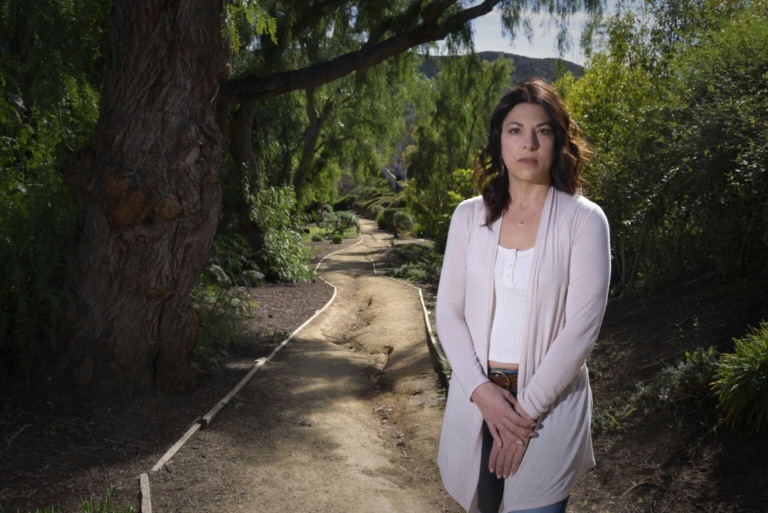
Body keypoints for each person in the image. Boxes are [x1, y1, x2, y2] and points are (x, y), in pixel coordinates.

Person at [435, 78, 611, 513]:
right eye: (515, 130)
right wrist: (480, 391)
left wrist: (522, 416)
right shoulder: (468, 216)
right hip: (476, 399)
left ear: (558, 142)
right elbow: (449, 311)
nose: (528, 143)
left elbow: (581, 329)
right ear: (499, 141)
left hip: (549, 406)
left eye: (542, 131)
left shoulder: (585, 220)